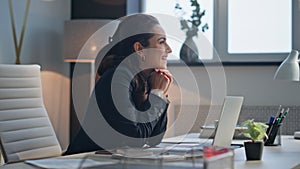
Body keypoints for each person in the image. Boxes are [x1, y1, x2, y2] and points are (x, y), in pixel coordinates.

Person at [65, 13, 173, 155]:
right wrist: (157, 95)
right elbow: (134, 139)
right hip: (82, 162)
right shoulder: (117, 76)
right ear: (140, 49)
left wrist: (159, 93)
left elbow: (154, 138)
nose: (169, 49)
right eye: (161, 42)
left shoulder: (143, 80)